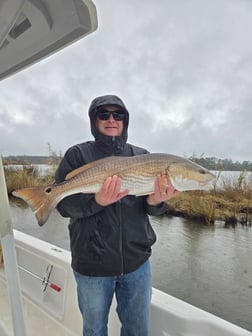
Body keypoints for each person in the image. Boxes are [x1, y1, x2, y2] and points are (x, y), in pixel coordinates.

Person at [55, 94, 179, 336]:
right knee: (94, 330)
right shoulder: (77, 155)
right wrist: (96, 201)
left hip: (137, 263)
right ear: (94, 120)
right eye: (104, 114)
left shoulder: (142, 155)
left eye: (118, 115)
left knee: (137, 330)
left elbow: (150, 208)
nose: (111, 119)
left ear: (125, 120)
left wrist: (156, 201)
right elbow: (63, 205)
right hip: (92, 263)